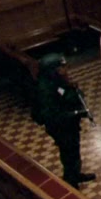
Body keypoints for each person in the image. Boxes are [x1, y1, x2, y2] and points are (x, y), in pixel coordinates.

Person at [32, 54, 95, 188]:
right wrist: (76, 113)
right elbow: (54, 115)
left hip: (68, 124)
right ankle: (71, 181)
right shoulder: (45, 90)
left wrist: (72, 90)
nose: (65, 70)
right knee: (69, 154)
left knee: (74, 151)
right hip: (60, 128)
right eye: (61, 68)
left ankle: (76, 174)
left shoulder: (55, 81)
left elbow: (64, 93)